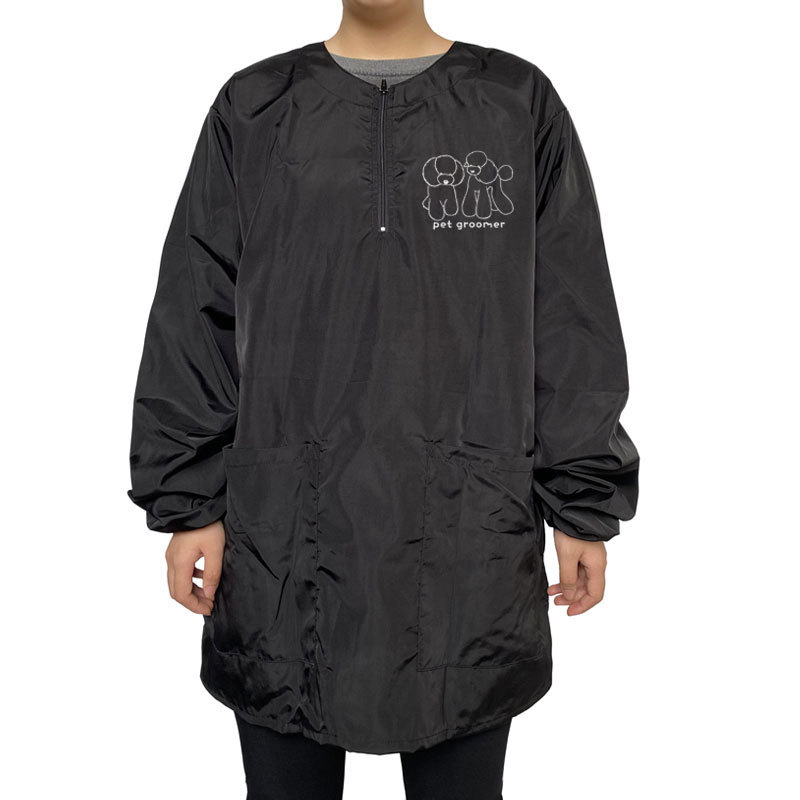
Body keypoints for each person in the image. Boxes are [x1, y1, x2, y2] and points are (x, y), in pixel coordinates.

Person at [126, 0, 640, 797]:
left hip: (467, 536)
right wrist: (189, 502)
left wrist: (581, 502)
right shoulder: (255, 107)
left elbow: (570, 316)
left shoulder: (515, 103)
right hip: (285, 541)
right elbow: (196, 310)